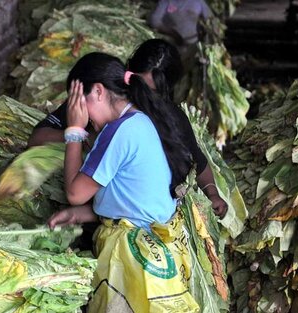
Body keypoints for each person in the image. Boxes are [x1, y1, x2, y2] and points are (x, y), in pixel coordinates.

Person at [50, 52, 199, 312]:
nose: (81, 112)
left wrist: (74, 131)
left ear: (98, 91)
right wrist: (79, 214)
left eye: (79, 102)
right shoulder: (140, 120)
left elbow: (75, 192)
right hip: (153, 250)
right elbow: (132, 197)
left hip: (133, 258)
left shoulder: (118, 131)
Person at [29, 39, 227, 218]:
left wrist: (76, 131)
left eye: (153, 92)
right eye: (138, 83)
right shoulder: (113, 112)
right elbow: (38, 138)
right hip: (126, 220)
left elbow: (75, 194)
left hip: (128, 232)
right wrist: (88, 136)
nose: (144, 96)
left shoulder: (131, 127)